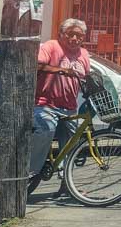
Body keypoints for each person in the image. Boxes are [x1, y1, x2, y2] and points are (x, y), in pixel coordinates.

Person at [29, 18, 92, 177]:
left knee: (73, 143)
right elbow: (36, 65)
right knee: (46, 129)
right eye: (71, 34)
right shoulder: (51, 46)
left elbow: (86, 77)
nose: (75, 39)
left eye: (79, 36)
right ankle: (29, 173)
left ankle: (67, 185)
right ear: (61, 34)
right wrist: (60, 70)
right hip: (45, 104)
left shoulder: (83, 53)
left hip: (70, 108)